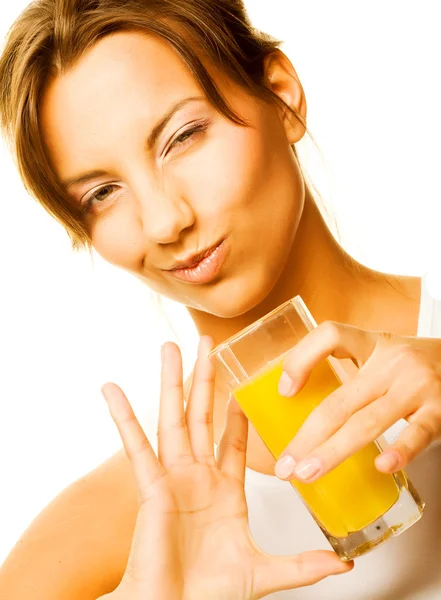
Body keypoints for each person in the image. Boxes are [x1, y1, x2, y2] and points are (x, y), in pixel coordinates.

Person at [0, 0, 441, 598]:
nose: (163, 221)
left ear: (281, 97)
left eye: (182, 136)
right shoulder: (124, 517)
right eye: (103, 193)